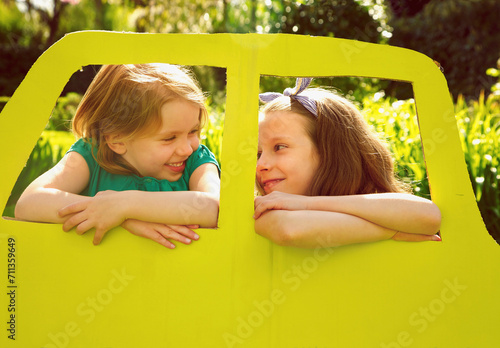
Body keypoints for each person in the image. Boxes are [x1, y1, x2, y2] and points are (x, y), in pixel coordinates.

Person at [15, 64, 220, 249]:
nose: (186, 148)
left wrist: (126, 205)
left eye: (193, 131)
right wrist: (122, 218)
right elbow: (29, 203)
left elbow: (214, 207)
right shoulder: (92, 157)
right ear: (117, 140)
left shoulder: (196, 161)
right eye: (169, 138)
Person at [254, 78, 442, 248]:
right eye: (258, 154)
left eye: (279, 147)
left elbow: (429, 216)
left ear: (331, 152)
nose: (261, 164)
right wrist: (392, 231)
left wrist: (304, 203)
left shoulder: (378, 201)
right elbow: (290, 229)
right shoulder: (260, 209)